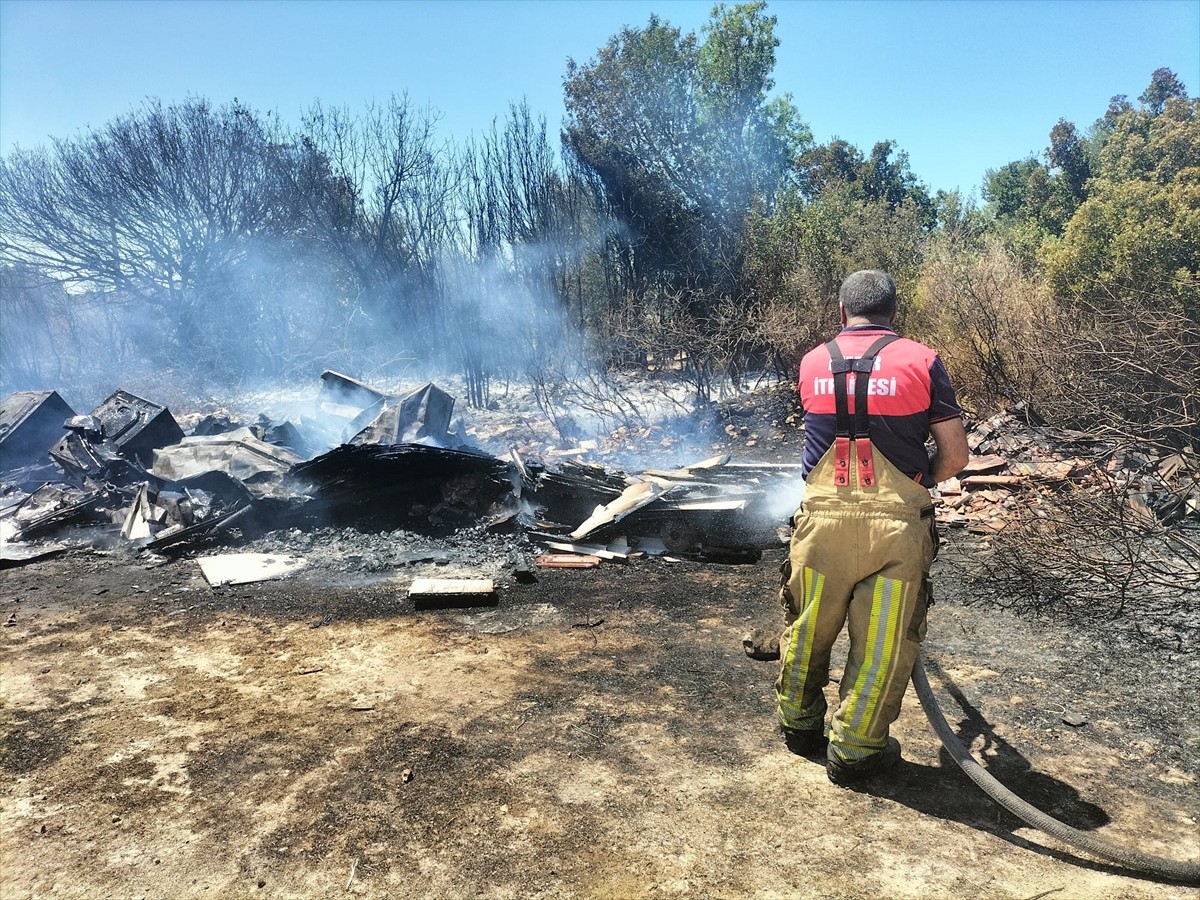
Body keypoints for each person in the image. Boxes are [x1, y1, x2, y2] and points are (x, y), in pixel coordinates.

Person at [776, 269, 969, 785]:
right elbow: (955, 456)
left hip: (821, 522)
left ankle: (798, 725)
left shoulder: (813, 362)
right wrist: (917, 479)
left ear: (842, 313)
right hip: (895, 528)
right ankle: (856, 751)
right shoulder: (922, 360)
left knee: (809, 624)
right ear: (894, 314)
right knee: (883, 640)